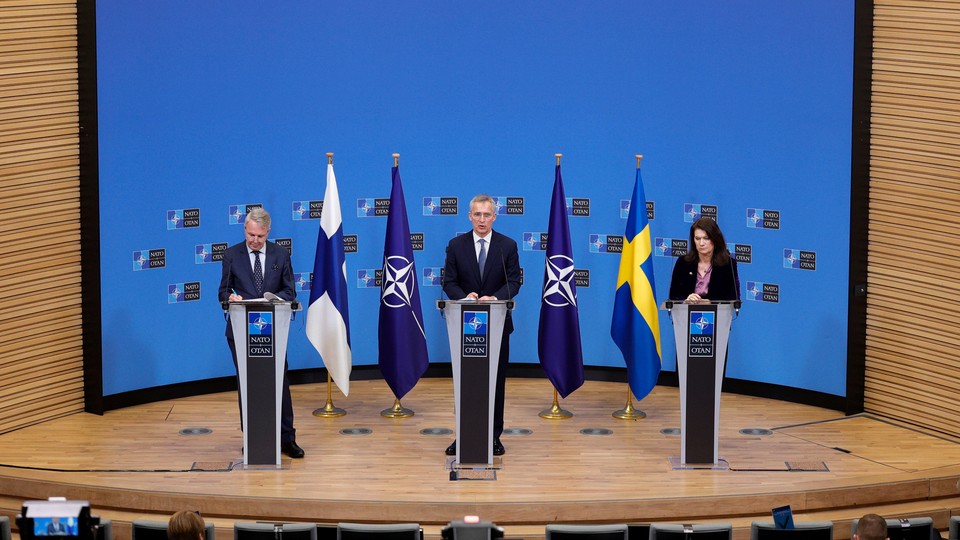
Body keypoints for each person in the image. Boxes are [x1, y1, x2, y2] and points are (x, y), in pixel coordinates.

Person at [217, 207, 304, 458]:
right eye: (250, 235)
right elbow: (222, 291)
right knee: (247, 384)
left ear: (268, 232)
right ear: (245, 229)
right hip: (241, 331)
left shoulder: (280, 254)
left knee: (280, 383)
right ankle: (253, 438)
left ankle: (287, 439)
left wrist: (275, 299)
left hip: (273, 331)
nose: (254, 241)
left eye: (260, 236)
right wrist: (229, 297)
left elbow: (290, 292)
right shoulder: (232, 254)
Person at [442, 194, 522, 456]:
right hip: (464, 326)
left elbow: (514, 282)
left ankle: (494, 436)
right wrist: (464, 298)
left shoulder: (507, 246)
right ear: (469, 216)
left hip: (497, 325)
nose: (482, 219)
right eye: (477, 214)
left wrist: (496, 298)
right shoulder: (456, 245)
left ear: (494, 217)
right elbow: (448, 282)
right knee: (466, 382)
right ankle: (463, 436)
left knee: (495, 383)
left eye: (487, 215)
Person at [669, 217, 740, 302]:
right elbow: (673, 295)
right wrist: (685, 300)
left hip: (718, 314)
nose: (701, 243)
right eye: (697, 239)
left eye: (706, 238)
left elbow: (733, 298)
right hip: (687, 312)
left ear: (715, 239)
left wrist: (710, 302)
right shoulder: (683, 262)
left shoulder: (728, 264)